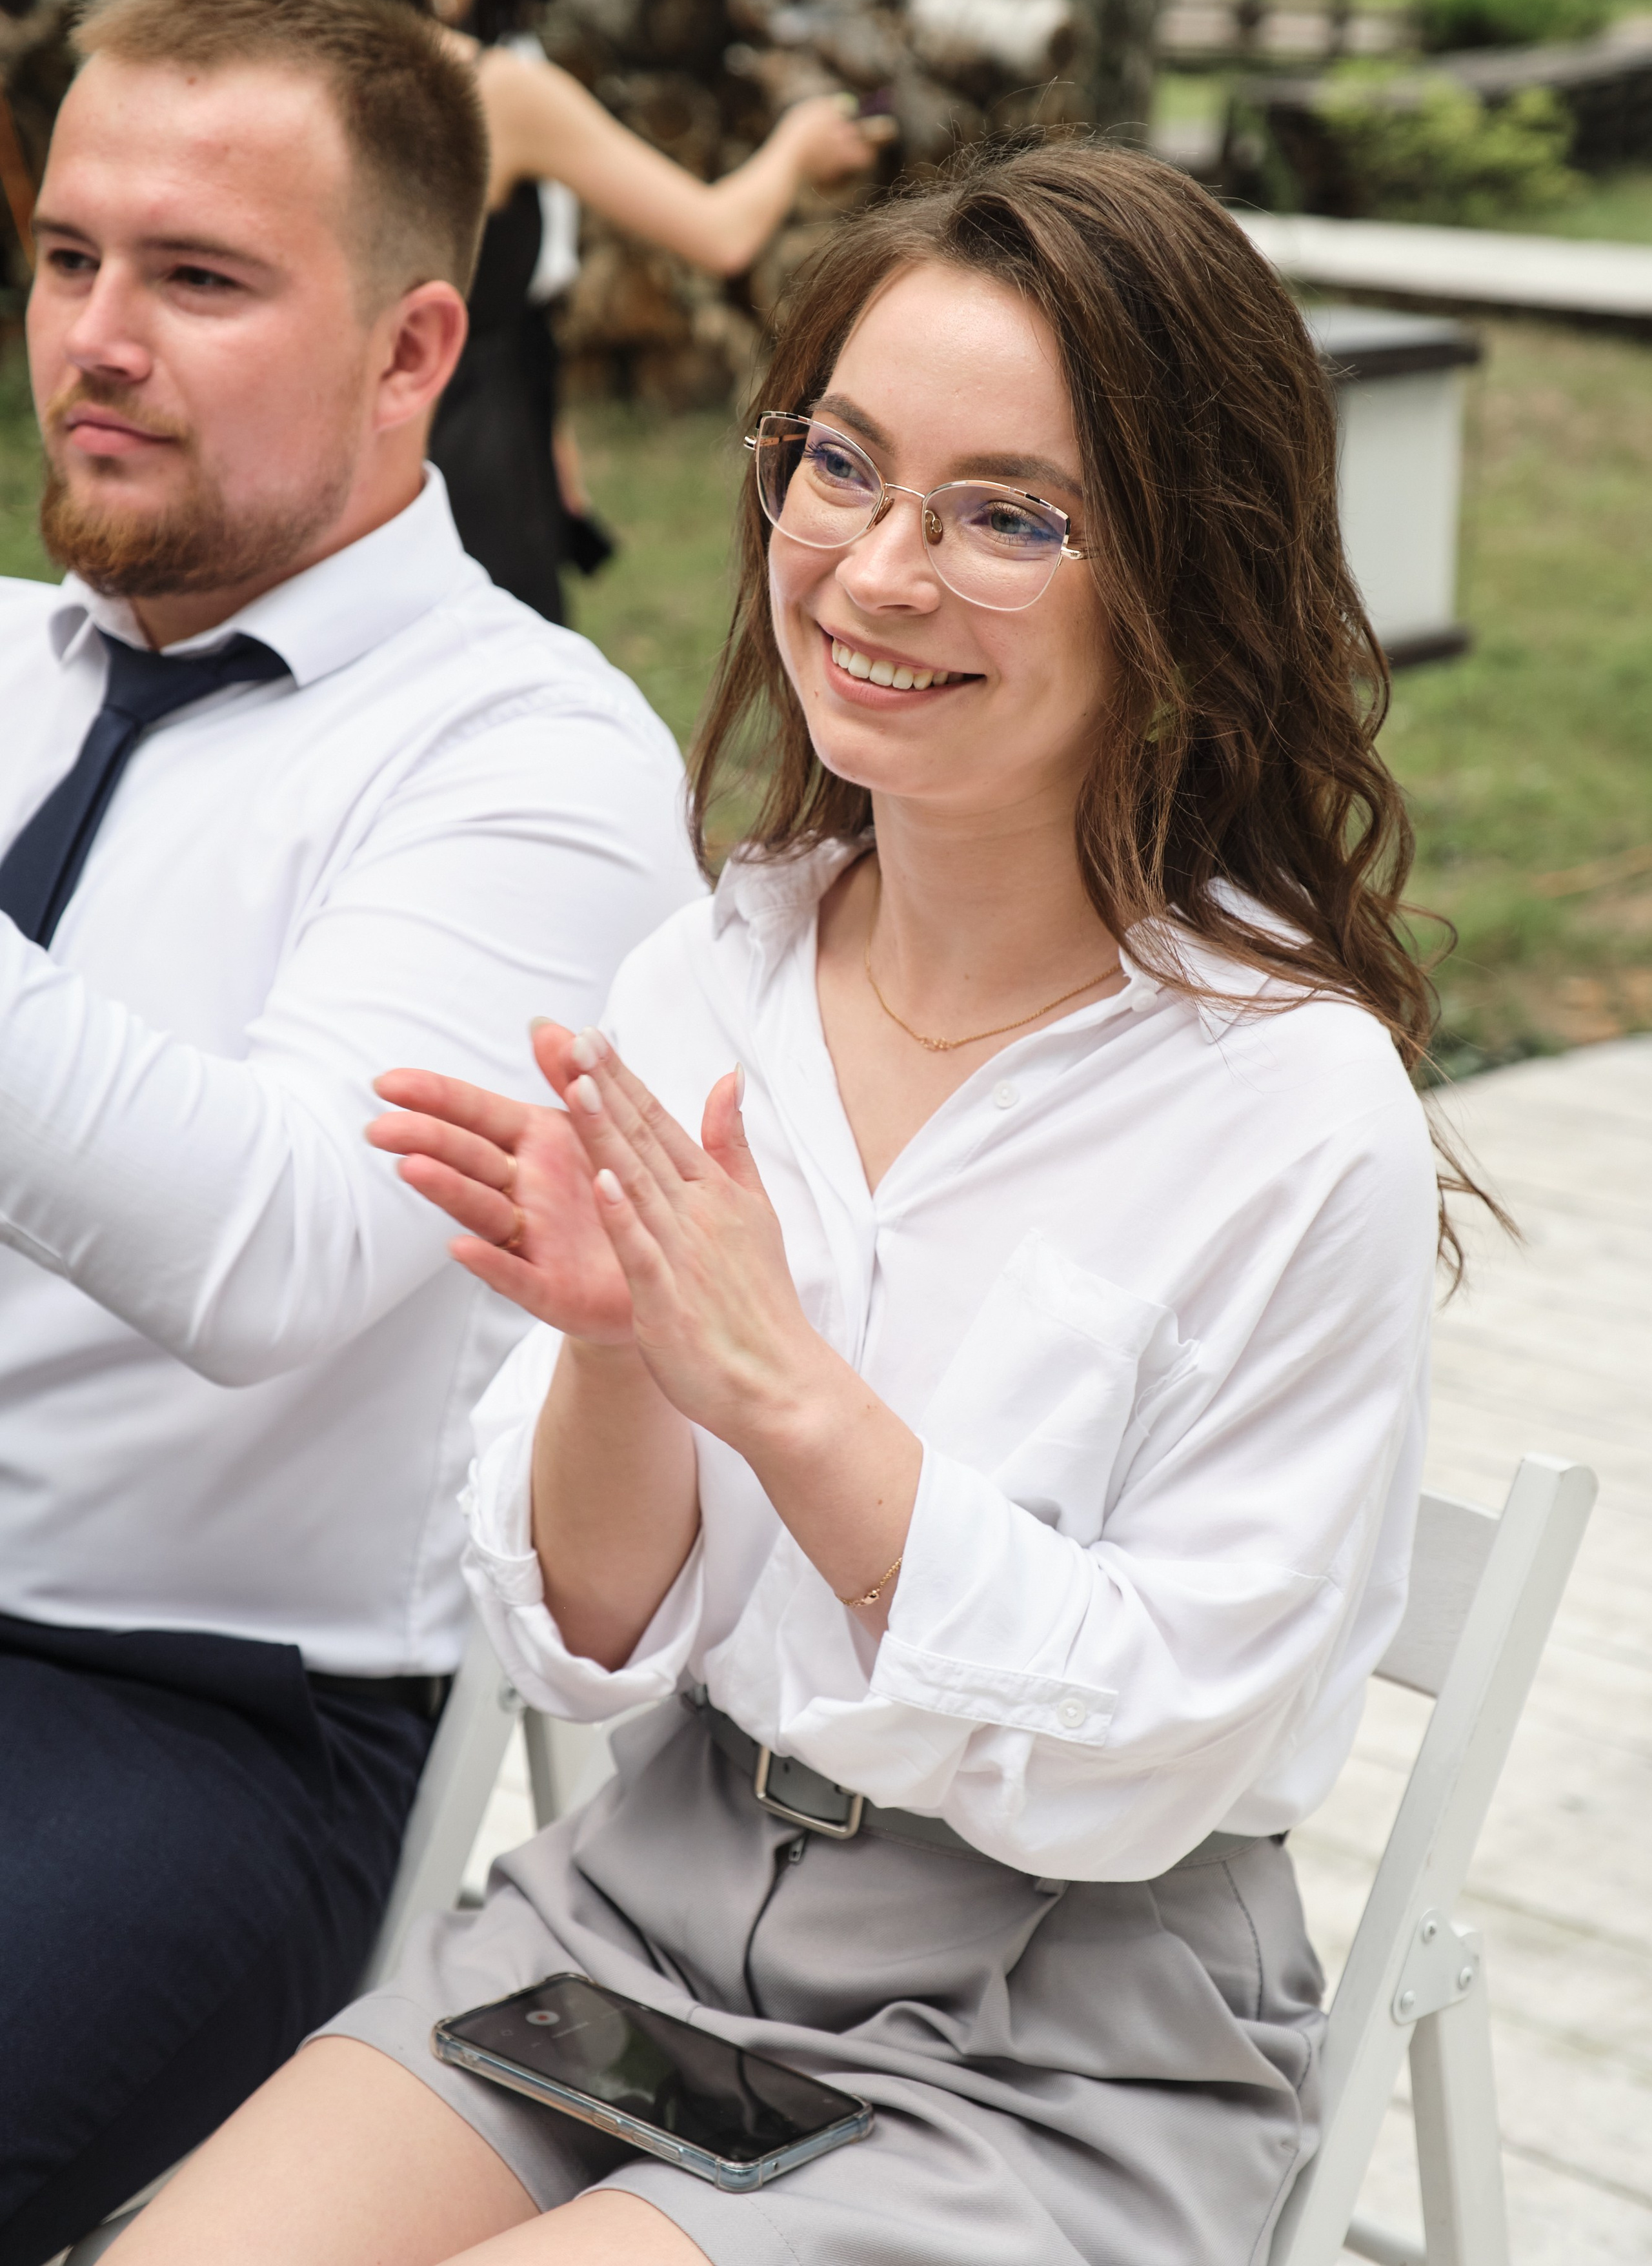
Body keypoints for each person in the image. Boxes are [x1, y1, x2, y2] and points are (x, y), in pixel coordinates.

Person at [107, 141, 1451, 2266]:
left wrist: (789, 1392)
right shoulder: (710, 974)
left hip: (1051, 2042)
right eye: (843, 465)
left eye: (1007, 513)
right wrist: (629, 1357)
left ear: (1181, 575)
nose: (878, 571)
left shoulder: (1298, 1114)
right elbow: (592, 1643)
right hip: (647, 1924)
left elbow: (1163, 1747)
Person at [0, 0, 701, 2266]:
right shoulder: (10, 662)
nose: (99, 335)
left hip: (201, 1718)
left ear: (416, 352)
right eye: (67, 255)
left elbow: (279, 1252)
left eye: (199, 280)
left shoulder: (530, 760)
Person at [288, 0, 886, 625]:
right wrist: (797, 142)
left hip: (305, 466)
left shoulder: (275, 76)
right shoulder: (487, 90)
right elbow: (718, 232)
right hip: (463, 472)